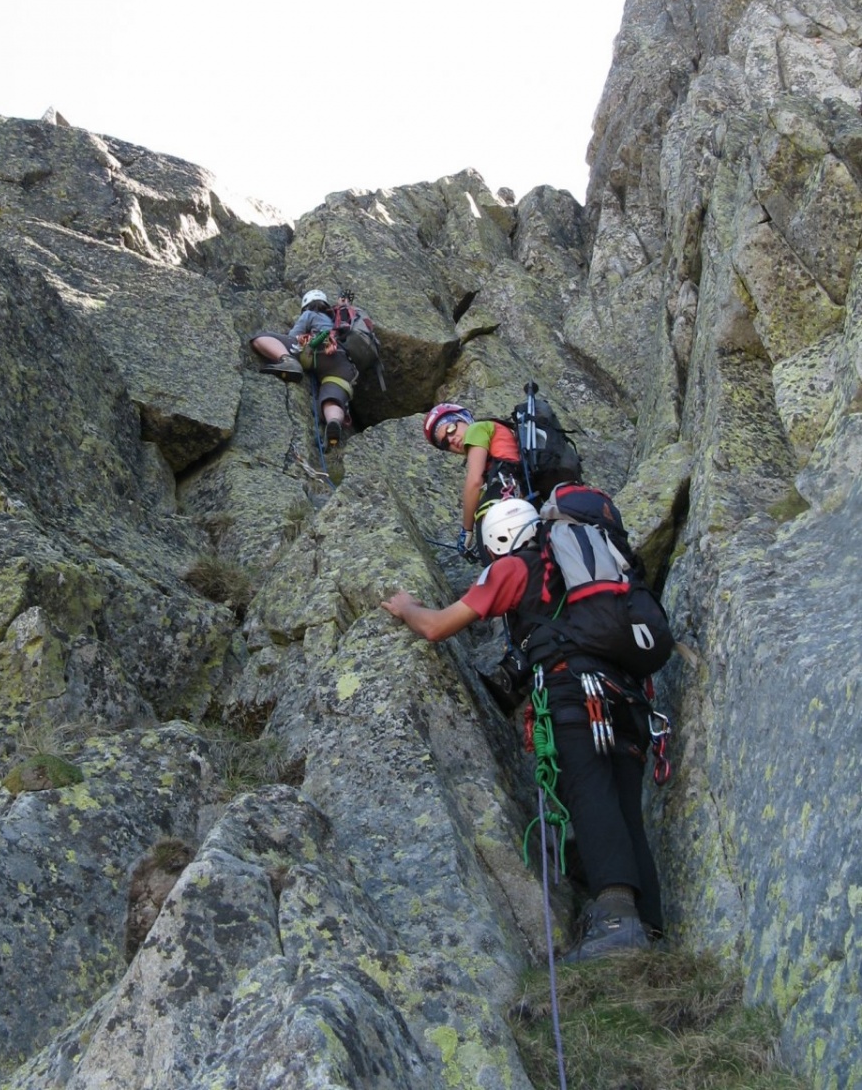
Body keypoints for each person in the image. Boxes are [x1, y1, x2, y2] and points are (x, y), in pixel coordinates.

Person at [381, 496, 661, 961]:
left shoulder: (514, 568)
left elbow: (437, 627)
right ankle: (647, 929)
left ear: (499, 540)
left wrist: (409, 607)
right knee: (625, 805)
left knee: (590, 790)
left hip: (574, 693)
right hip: (627, 698)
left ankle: (615, 917)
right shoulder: (591, 570)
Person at [251, 289, 357, 448]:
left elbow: (295, 336)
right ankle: (333, 422)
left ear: (306, 305)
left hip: (317, 349)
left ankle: (287, 361)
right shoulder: (338, 321)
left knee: (260, 339)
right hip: (341, 363)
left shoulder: (310, 314)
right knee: (331, 398)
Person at [422, 403, 524, 561]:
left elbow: (474, 482)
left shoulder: (476, 429)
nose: (451, 439)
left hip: (505, 496)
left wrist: (466, 531)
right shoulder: (493, 444)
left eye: (451, 429)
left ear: (464, 419)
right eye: (445, 443)